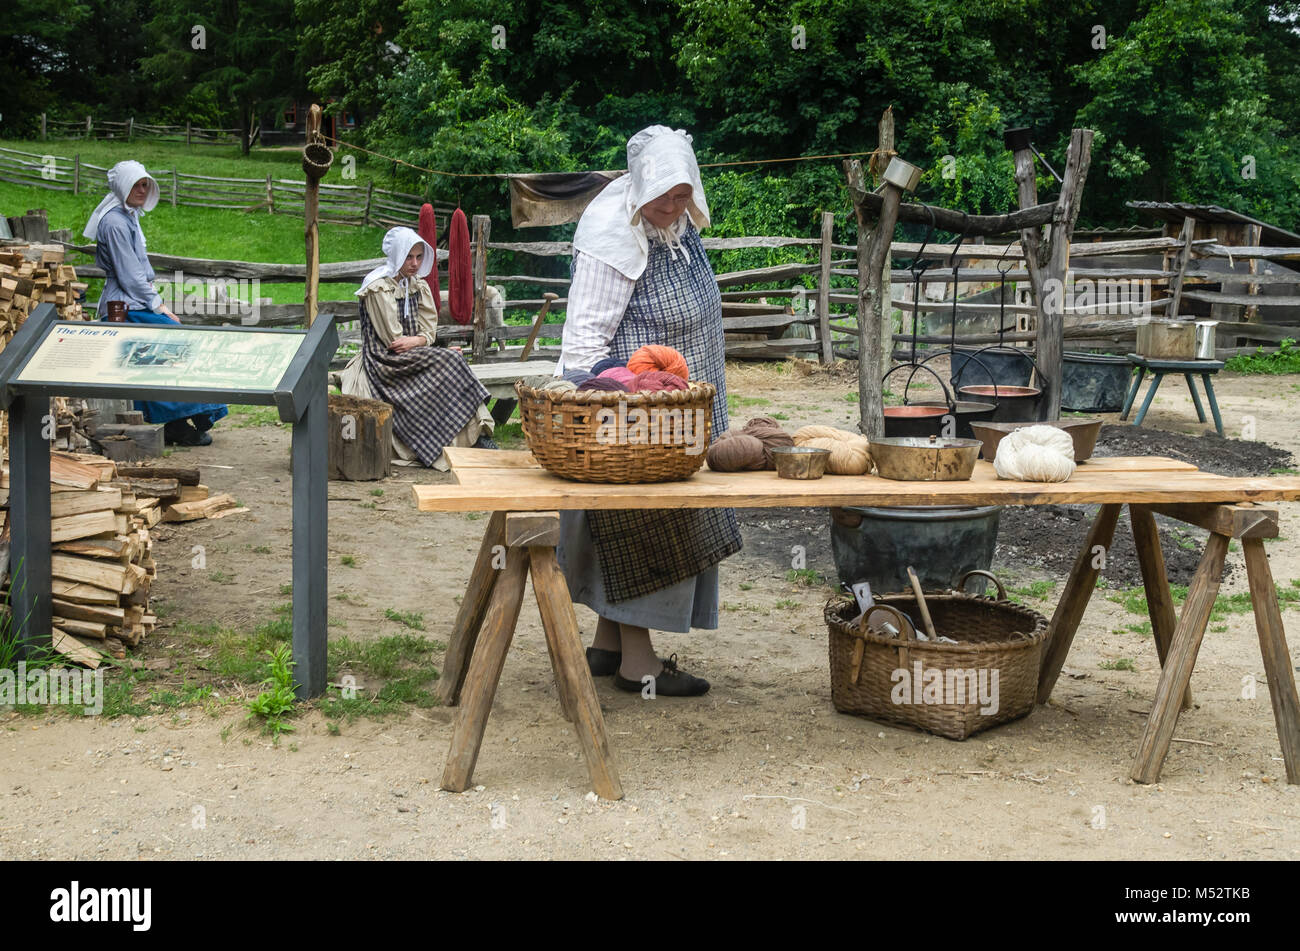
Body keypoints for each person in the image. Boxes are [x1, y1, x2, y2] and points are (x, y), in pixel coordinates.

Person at [557, 125, 741, 698]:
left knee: (654, 525)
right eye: (661, 195)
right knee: (642, 525)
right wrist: (630, 395)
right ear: (639, 187)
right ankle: (641, 665)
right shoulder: (614, 237)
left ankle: (610, 645)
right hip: (642, 422)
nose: (670, 204)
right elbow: (585, 349)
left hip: (685, 413)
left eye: (682, 194)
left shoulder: (678, 226)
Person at [84, 160, 227, 446]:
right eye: (136, 184)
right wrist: (157, 305)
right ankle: (178, 421)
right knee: (172, 340)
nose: (141, 189)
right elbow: (129, 275)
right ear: (122, 186)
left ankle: (192, 414)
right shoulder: (114, 222)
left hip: (135, 299)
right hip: (125, 305)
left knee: (177, 340)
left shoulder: (129, 216)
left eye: (144, 184)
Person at [339, 226, 495, 468]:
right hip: (384, 361)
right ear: (396, 255)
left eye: (419, 257)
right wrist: (424, 344)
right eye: (408, 256)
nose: (414, 263)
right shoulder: (378, 287)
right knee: (451, 360)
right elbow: (394, 341)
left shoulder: (416, 286)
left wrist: (420, 341)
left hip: (413, 354)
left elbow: (427, 332)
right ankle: (472, 437)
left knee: (452, 361)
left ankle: (476, 435)